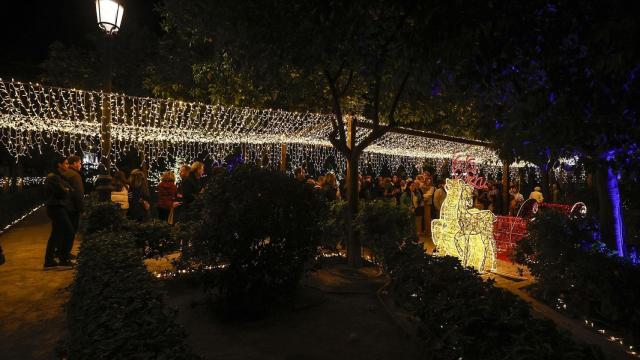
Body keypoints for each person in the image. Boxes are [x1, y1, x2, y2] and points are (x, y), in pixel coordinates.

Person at [43, 156, 74, 269]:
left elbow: (70, 190)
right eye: (65, 163)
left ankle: (49, 261)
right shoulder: (53, 177)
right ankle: (63, 259)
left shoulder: (58, 177)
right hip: (56, 208)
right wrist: (66, 190)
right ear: (59, 165)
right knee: (69, 232)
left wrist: (66, 190)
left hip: (57, 207)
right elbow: (63, 192)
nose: (67, 165)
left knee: (56, 234)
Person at [63, 155, 84, 236]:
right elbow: (78, 193)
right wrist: (82, 209)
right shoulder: (75, 175)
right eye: (80, 163)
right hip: (72, 208)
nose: (80, 165)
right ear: (75, 163)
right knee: (71, 232)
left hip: (64, 206)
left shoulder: (64, 173)